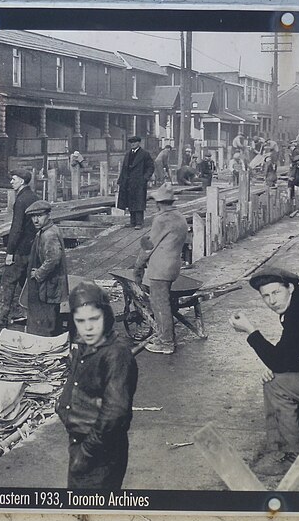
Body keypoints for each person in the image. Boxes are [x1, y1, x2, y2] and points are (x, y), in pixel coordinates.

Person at [229, 267, 299, 475]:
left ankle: (292, 455)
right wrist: (278, 368)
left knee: (274, 384)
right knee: (278, 377)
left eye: (276, 293)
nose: (272, 301)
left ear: (290, 287)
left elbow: (280, 361)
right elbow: (294, 357)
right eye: (266, 296)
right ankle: (295, 445)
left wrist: (250, 331)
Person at [56, 281, 138, 490]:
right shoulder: (85, 345)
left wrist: (86, 452)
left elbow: (115, 412)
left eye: (94, 319)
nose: (88, 327)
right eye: (81, 321)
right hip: (81, 442)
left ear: (106, 316)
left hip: (101, 451)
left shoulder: (116, 354)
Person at [134, 183, 188, 355]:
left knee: (159, 304)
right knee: (163, 302)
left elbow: (149, 246)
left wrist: (138, 266)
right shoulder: (179, 216)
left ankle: (166, 342)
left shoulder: (161, 219)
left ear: (159, 203)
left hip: (160, 270)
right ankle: (164, 335)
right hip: (173, 267)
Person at [0, 169, 38, 328]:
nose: (11, 182)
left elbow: (16, 228)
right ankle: (32, 314)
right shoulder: (33, 197)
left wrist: (10, 252)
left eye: (14, 179)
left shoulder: (20, 201)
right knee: (26, 283)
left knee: (7, 283)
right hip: (32, 247)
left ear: (21, 181)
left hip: (20, 250)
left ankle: (0, 317)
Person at [24, 199, 69, 336]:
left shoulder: (49, 234)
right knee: (49, 316)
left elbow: (53, 259)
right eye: (33, 216)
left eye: (40, 216)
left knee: (47, 318)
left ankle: (47, 344)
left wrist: (38, 274)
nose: (36, 220)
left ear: (48, 215)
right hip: (48, 284)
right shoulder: (45, 231)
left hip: (49, 284)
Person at [117, 136, 155, 230]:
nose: (132, 144)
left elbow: (150, 167)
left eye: (134, 142)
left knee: (139, 202)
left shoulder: (144, 154)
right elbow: (124, 168)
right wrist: (121, 181)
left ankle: (139, 222)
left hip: (138, 182)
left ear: (139, 143)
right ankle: (132, 222)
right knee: (130, 202)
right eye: (131, 142)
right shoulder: (128, 154)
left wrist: (144, 178)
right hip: (128, 182)